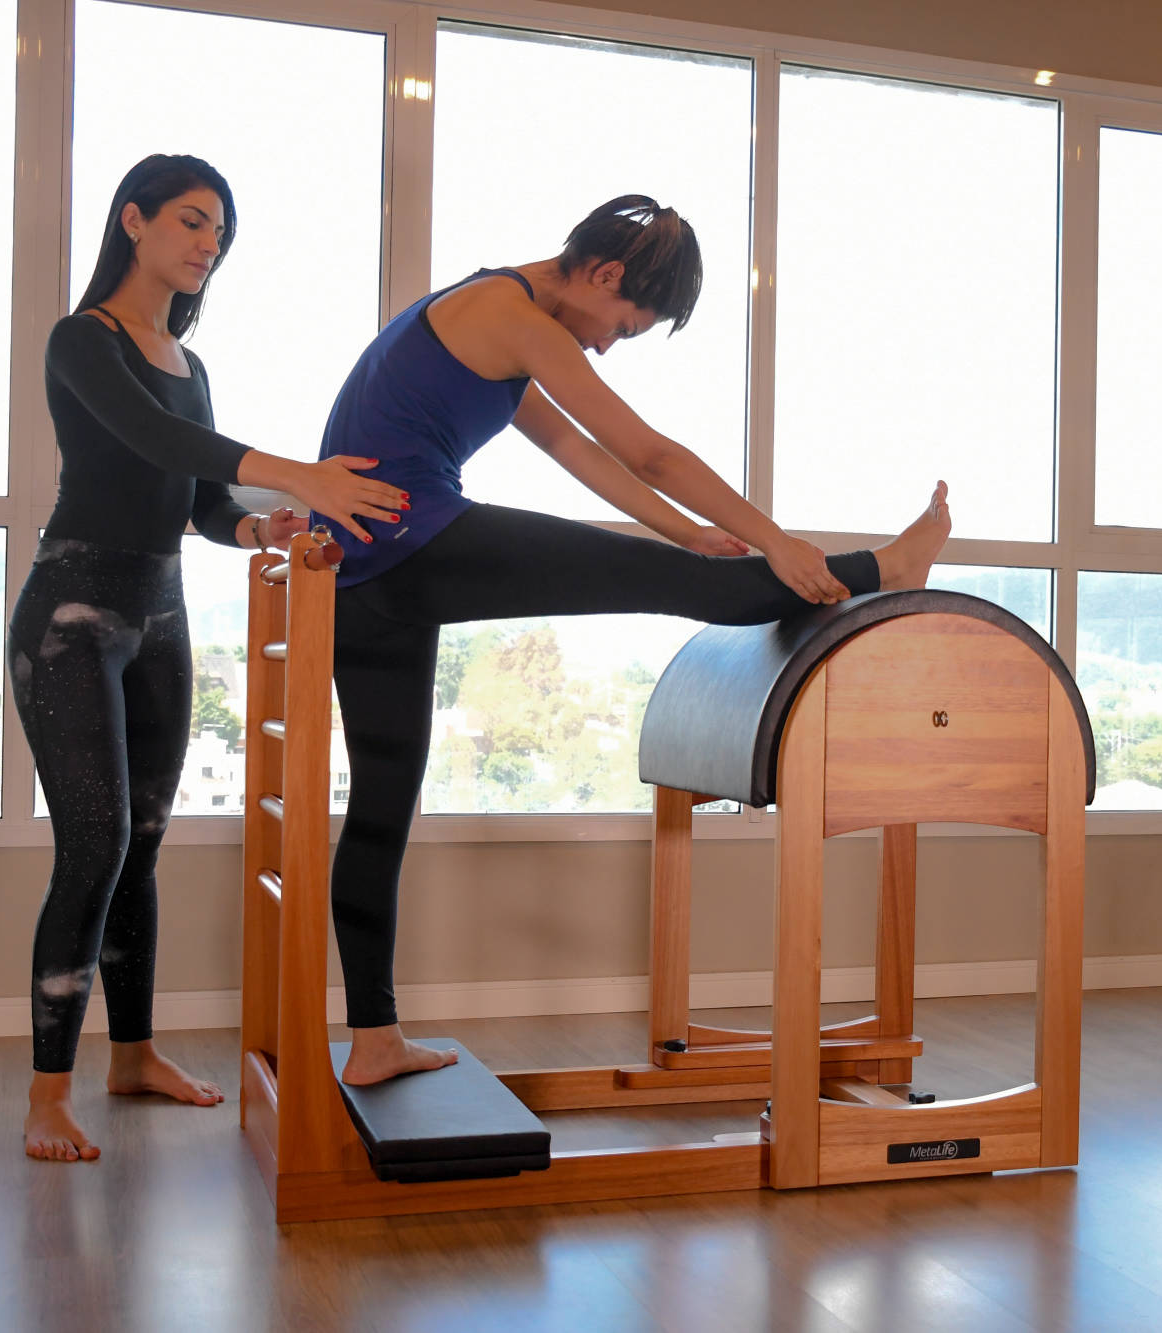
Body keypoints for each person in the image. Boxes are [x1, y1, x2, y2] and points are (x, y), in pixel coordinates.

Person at [316, 194, 951, 1085]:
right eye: (623, 322)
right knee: (688, 588)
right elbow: (646, 452)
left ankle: (373, 1040)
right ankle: (884, 567)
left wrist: (682, 530)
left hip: (357, 571)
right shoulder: (509, 313)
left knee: (382, 808)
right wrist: (774, 539)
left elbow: (577, 454)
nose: (610, 343)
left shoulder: (490, 317)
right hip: (408, 539)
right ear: (603, 275)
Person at [10, 154, 405, 1161]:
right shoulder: (81, 341)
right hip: (71, 619)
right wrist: (301, 475)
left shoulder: (191, 364)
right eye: (190, 222)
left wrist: (260, 525)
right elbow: (149, 437)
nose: (205, 245)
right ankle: (45, 1095)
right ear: (133, 220)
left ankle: (132, 1053)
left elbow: (198, 500)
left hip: (160, 619)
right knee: (91, 850)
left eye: (218, 234)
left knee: (140, 846)